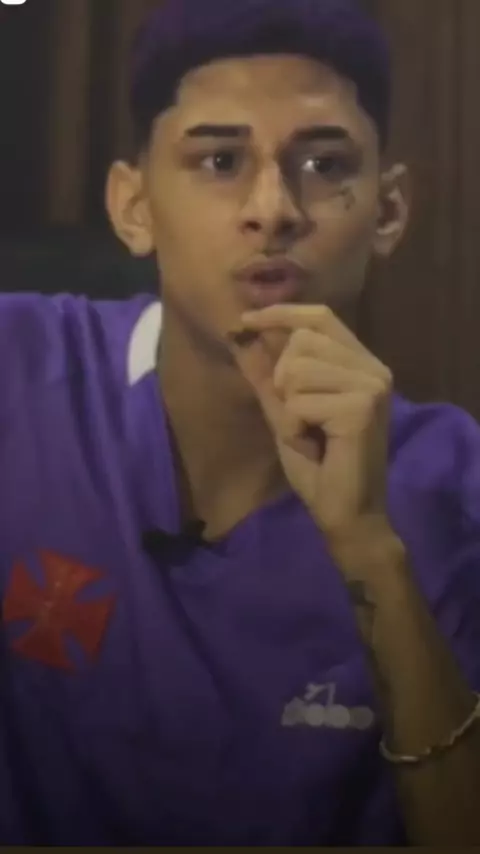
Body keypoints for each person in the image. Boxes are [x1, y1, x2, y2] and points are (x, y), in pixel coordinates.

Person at [1, 0, 479, 845]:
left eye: (324, 164)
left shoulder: (458, 485)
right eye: (220, 160)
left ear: (388, 212)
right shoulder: (19, 370)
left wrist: (370, 546)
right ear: (134, 206)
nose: (273, 209)